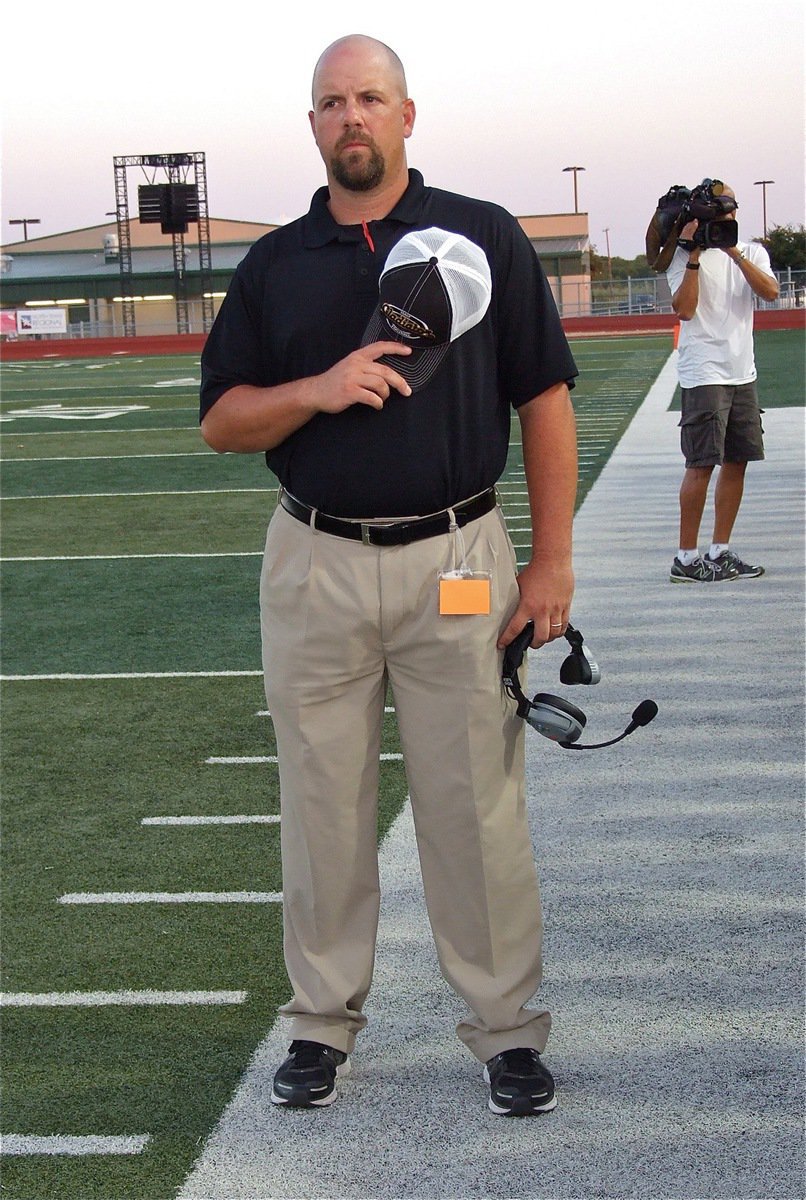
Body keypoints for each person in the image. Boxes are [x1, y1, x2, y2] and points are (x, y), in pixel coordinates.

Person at [199, 33, 579, 1117]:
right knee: (320, 802)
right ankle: (321, 1026)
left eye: (369, 98)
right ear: (311, 126)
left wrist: (550, 560)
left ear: (407, 115)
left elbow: (543, 397)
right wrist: (314, 388)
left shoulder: (483, 236)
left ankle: (505, 1030)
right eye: (330, 103)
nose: (350, 117)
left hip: (457, 561)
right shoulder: (275, 264)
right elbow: (223, 419)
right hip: (314, 559)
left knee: (473, 806)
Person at [666, 184, 779, 583]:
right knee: (701, 465)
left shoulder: (751, 252)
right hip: (704, 374)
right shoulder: (682, 255)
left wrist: (733, 253)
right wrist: (695, 252)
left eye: (729, 210)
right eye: (718, 212)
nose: (726, 218)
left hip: (742, 372)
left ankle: (720, 550)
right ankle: (686, 557)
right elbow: (685, 309)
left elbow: (770, 292)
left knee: (737, 462)